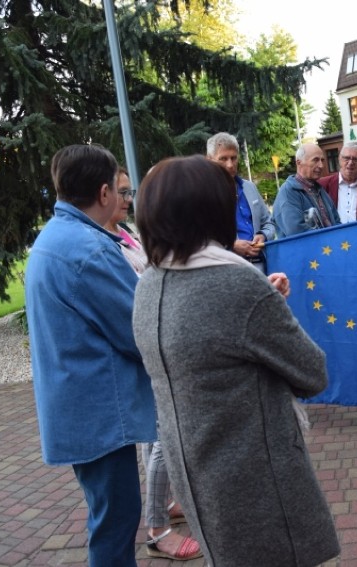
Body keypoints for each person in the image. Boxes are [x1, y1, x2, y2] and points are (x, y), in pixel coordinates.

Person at [131, 155, 340, 567]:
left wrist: (262, 304)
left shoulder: (150, 281)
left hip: (196, 471)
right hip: (253, 476)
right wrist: (266, 306)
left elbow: (212, 344)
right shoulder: (234, 281)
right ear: (211, 211)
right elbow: (312, 373)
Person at [25, 144, 156, 566]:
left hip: (80, 409)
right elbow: (139, 329)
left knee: (109, 520)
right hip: (99, 415)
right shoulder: (90, 248)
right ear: (104, 193)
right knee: (116, 527)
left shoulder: (55, 237)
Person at [101, 168, 201, 561]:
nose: (128, 200)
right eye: (123, 192)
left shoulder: (123, 234)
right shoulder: (105, 246)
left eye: (131, 192)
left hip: (150, 345)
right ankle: (157, 527)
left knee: (152, 437)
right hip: (147, 347)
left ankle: (166, 502)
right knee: (162, 438)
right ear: (103, 193)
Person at [205, 132, 276, 273]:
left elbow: (270, 222)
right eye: (223, 159)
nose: (230, 165)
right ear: (210, 160)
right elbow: (199, 239)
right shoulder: (203, 194)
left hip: (263, 265)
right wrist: (231, 245)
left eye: (233, 158)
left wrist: (263, 235)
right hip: (228, 270)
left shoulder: (249, 188)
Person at [273, 142, 341, 237]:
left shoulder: (319, 189)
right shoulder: (289, 192)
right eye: (315, 160)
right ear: (299, 162)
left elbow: (336, 221)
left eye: (322, 160)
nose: (321, 165)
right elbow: (297, 233)